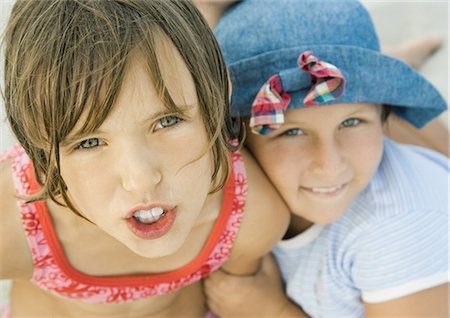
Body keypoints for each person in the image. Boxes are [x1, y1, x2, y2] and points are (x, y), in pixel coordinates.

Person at [0, 0, 290, 316]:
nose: (141, 179)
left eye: (167, 122)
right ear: (38, 145)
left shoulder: (248, 217)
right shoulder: (14, 225)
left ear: (219, 94)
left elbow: (238, 297)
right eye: (90, 142)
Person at [203, 0, 450, 317]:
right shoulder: (237, 174)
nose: (329, 164)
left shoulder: (399, 229)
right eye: (291, 133)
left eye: (351, 122)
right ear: (238, 140)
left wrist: (270, 310)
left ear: (382, 113)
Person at [194, 0, 449, 157]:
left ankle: (390, 57)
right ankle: (390, 57)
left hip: (289, 35)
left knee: (365, 90)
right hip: (238, 62)